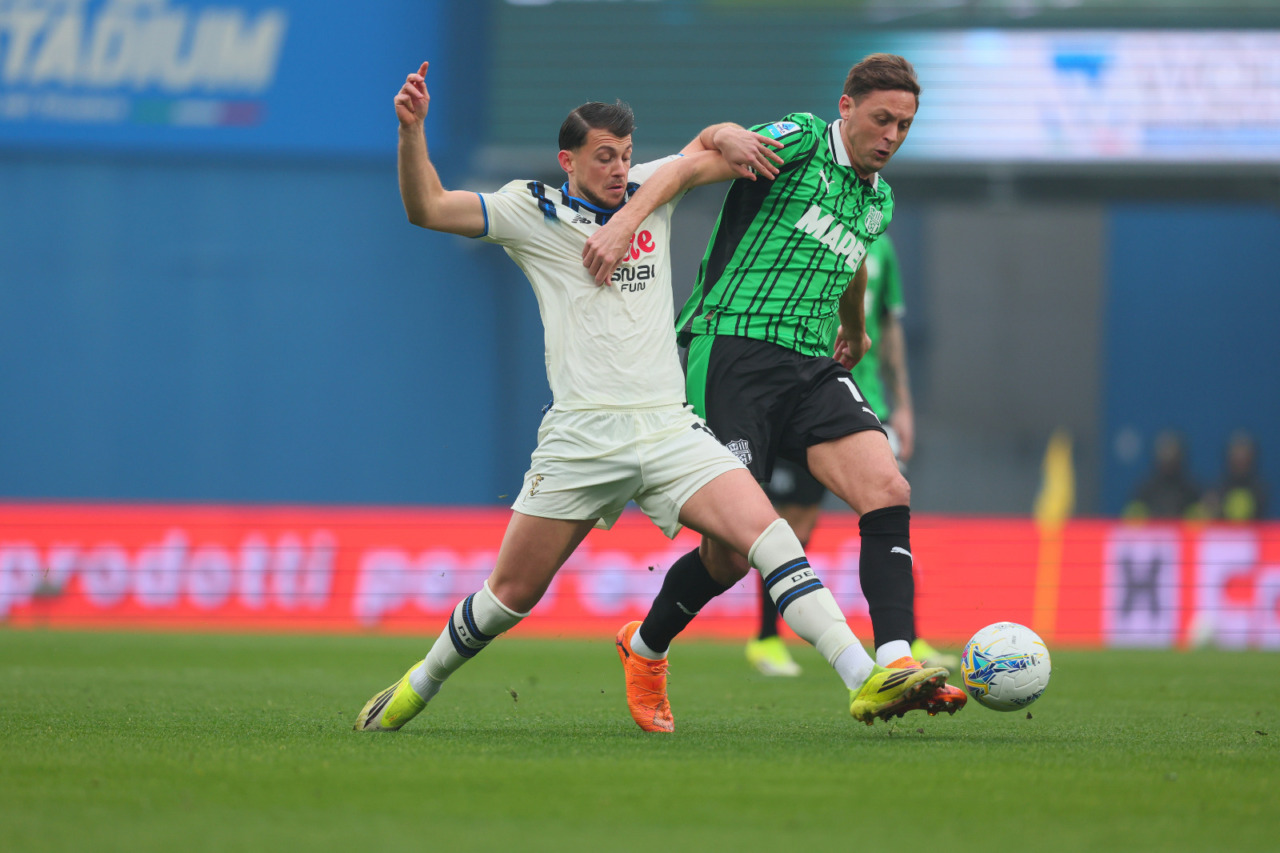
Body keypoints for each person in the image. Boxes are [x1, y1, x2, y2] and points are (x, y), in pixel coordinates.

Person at [354, 61, 948, 735]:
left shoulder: (650, 191)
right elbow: (426, 208)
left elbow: (702, 156)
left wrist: (718, 134)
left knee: (771, 534)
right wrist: (412, 131)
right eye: (604, 157)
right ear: (567, 160)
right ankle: (417, 684)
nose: (618, 169)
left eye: (626, 156)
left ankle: (868, 675)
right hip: (585, 436)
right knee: (510, 596)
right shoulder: (531, 209)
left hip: (670, 429)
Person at [583, 53, 966, 717]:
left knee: (888, 488)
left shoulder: (877, 199)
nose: (892, 136)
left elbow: (851, 259)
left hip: (813, 364)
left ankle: (897, 657)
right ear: (845, 107)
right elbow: (685, 168)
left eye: (904, 125)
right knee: (730, 553)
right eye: (882, 119)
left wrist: (855, 328)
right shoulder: (796, 141)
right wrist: (623, 222)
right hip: (731, 348)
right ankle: (644, 648)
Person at [746, 235, 958, 677]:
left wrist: (903, 403)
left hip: (871, 401)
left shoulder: (881, 246)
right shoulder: (807, 226)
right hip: (808, 399)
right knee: (790, 525)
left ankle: (904, 641)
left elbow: (890, 324)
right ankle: (766, 639)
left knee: (891, 502)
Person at [1124, 431, 1205, 520]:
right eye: (1164, 452)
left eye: (1173, 453)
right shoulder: (1145, 491)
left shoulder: (1191, 491)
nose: (1168, 457)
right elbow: (1132, 525)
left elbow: (1199, 525)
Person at [1204, 430, 1268, 521]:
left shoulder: (1260, 491)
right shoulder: (1217, 490)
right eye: (1236, 458)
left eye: (1244, 458)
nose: (1240, 460)